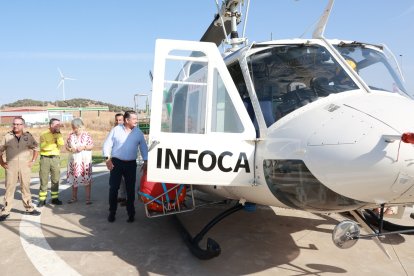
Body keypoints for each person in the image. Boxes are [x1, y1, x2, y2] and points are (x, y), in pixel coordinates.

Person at [103, 110, 148, 223]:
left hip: (131, 164)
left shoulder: (138, 132)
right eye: (134, 119)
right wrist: (107, 159)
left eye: (136, 118)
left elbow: (143, 147)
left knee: (130, 190)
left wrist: (146, 161)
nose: (136, 121)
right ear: (127, 120)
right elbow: (107, 144)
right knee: (113, 188)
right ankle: (112, 212)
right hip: (116, 163)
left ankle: (131, 213)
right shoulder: (116, 130)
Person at [0, 117, 40, 221]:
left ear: (23, 125)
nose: (15, 126)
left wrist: (33, 161)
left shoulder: (28, 136)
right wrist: (2, 162)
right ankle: (5, 211)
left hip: (24, 166)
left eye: (18, 124)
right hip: (11, 166)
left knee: (25, 187)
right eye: (14, 124)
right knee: (9, 188)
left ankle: (29, 208)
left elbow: (36, 148)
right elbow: (0, 150)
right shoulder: (7, 136)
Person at [65, 118, 94, 204]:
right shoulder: (71, 135)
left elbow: (91, 146)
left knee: (86, 179)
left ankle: (88, 199)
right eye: (73, 127)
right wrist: (70, 149)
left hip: (84, 162)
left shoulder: (87, 135)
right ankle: (74, 198)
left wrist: (83, 147)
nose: (75, 129)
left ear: (80, 126)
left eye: (76, 127)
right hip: (74, 161)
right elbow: (66, 146)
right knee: (74, 179)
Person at [37, 118, 65, 207]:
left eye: (59, 125)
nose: (58, 126)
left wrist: (58, 136)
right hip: (45, 158)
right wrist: (53, 142)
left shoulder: (59, 134)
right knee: (43, 178)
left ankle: (55, 198)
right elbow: (43, 147)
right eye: (56, 125)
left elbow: (61, 145)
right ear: (51, 125)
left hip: (55, 158)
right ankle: (42, 200)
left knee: (55, 179)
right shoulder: (43, 134)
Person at [114, 113, 127, 206]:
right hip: (117, 158)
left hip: (127, 159)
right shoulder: (114, 130)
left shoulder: (129, 130)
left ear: (125, 120)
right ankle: (122, 196)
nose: (118, 122)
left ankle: (127, 199)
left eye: (120, 120)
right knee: (120, 180)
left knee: (126, 180)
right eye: (117, 120)